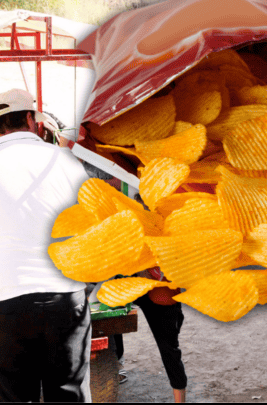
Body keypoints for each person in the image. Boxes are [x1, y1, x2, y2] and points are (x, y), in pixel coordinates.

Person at [0, 88, 92, 402]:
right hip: (64, 298)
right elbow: (89, 224)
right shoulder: (65, 161)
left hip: (7, 302)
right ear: (31, 119)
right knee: (68, 396)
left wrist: (5, 252)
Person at [83, 165, 188, 403]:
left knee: (169, 342)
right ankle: (115, 359)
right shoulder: (96, 171)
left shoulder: (158, 190)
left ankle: (179, 398)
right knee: (104, 315)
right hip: (120, 270)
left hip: (155, 276)